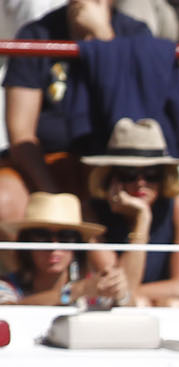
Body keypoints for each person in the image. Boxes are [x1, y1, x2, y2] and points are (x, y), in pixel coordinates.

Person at [0, 0, 155, 222]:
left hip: (116, 170)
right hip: (46, 167)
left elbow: (135, 120)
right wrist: (57, 198)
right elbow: (21, 136)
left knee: (172, 204)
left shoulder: (136, 34)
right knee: (4, 201)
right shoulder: (36, 34)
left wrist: (103, 37)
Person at [80, 117, 179, 307]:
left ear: (165, 175)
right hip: (112, 313)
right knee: (140, 303)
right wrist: (142, 220)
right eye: (129, 174)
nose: (141, 183)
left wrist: (133, 295)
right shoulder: (91, 212)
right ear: (110, 177)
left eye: (152, 173)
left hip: (163, 306)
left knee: (171, 303)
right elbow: (116, 287)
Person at [0, 190, 131, 306]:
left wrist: (121, 294)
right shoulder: (6, 285)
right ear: (26, 242)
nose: (54, 246)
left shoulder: (93, 287)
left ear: (78, 244)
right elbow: (8, 311)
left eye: (66, 237)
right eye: (42, 236)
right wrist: (77, 291)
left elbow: (131, 305)